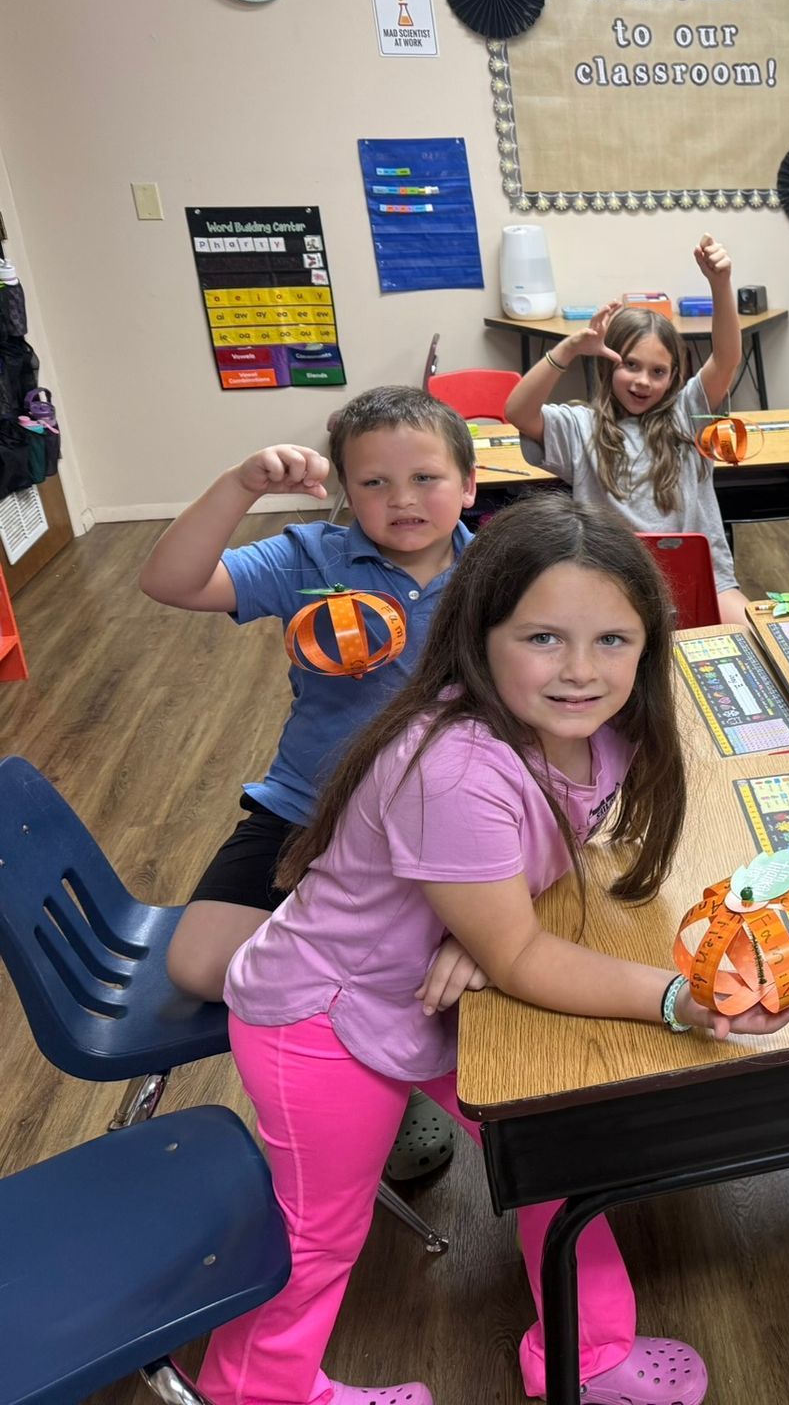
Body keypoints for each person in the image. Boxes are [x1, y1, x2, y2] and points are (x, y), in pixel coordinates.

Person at [194, 494, 789, 1405]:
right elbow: (526, 955)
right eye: (541, 638)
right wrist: (674, 995)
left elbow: (539, 880)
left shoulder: (605, 728)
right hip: (322, 1023)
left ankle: (588, 1352)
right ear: (480, 636)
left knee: (556, 1153)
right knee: (320, 1233)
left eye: (613, 640)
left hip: (436, 998)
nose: (579, 671)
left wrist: (480, 936)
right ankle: (254, 1390)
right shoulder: (452, 765)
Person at [138, 384, 476, 1178]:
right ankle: (376, 1045)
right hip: (307, 808)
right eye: (374, 483)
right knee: (195, 964)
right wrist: (240, 485)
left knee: (470, 962)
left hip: (437, 823)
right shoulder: (308, 559)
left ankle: (374, 1052)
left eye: (425, 478)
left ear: (468, 484)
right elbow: (173, 583)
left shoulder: (497, 572)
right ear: (342, 493)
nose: (402, 500)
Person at [504, 234, 749, 623]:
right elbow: (517, 411)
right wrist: (568, 349)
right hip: (611, 584)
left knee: (753, 638)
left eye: (658, 372)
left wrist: (720, 283)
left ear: (673, 378)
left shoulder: (688, 412)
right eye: (630, 365)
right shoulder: (580, 426)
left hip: (703, 582)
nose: (642, 382)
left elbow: (728, 356)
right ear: (607, 363)